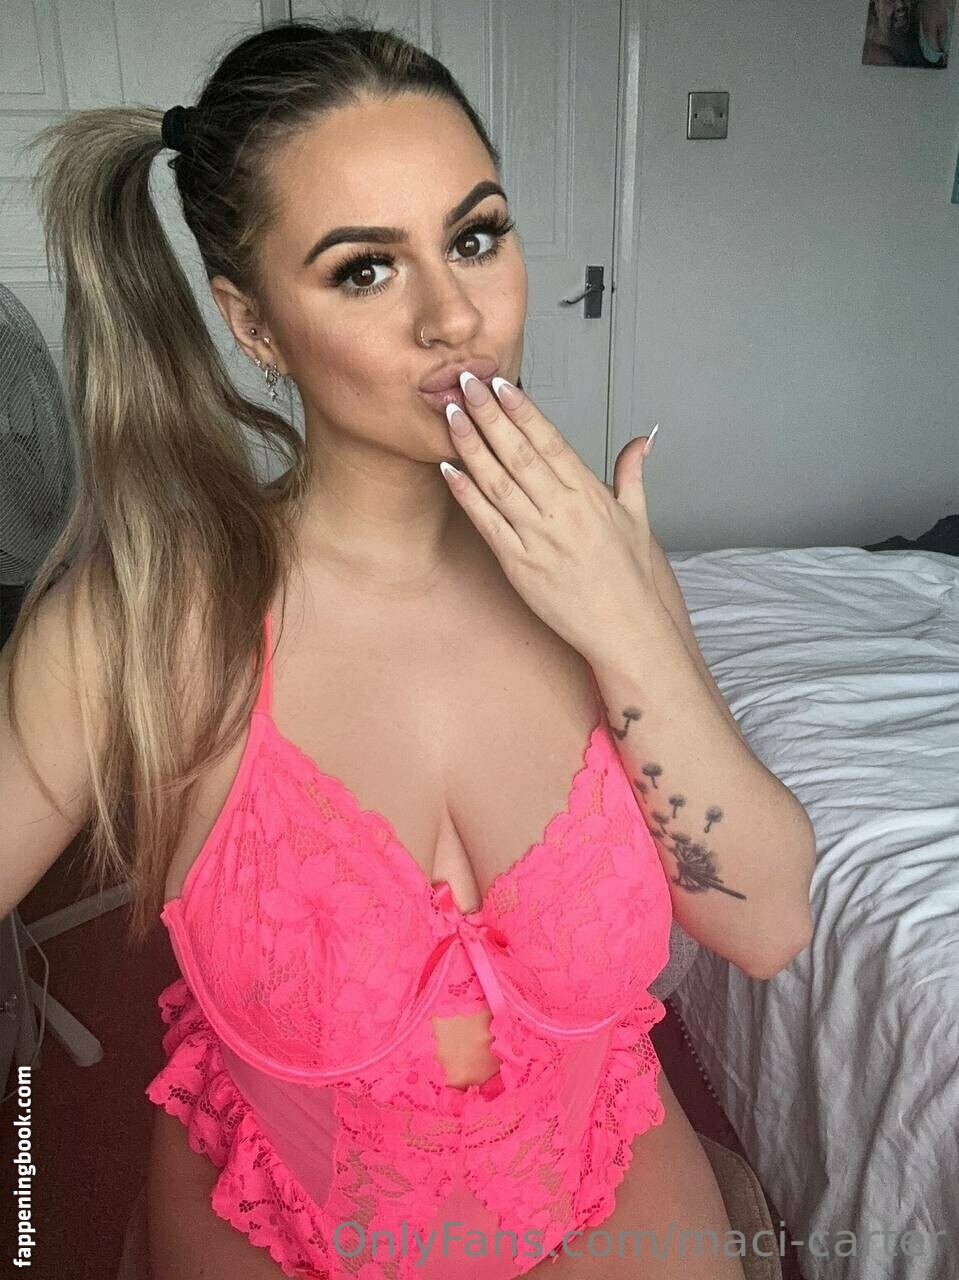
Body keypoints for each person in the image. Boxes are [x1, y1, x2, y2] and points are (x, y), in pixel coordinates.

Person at [2, 18, 769, 1280]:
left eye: (474, 237)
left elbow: (768, 918)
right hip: (282, 1219)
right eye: (365, 269)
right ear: (252, 323)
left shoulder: (603, 573)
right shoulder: (146, 624)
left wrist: (633, 629)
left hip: (601, 1179)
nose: (454, 315)